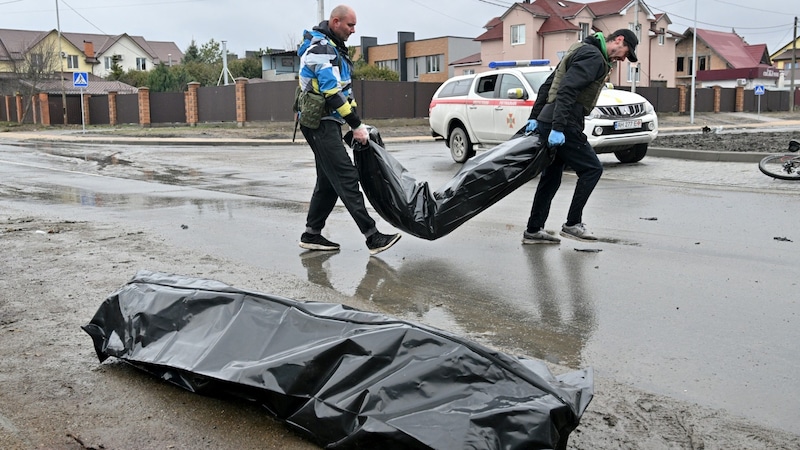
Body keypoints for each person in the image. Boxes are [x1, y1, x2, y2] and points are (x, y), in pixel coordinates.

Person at [296, 4, 401, 255]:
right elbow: (331, 93)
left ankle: (312, 234)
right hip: (319, 123)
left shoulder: (335, 50)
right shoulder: (320, 49)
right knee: (345, 175)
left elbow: (345, 93)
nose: (354, 30)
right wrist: (354, 125)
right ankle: (372, 236)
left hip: (328, 121)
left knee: (328, 181)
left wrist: (358, 125)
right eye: (350, 25)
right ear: (335, 22)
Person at [522, 29, 638, 244]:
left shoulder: (579, 49)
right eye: (625, 52)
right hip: (564, 122)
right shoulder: (593, 57)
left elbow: (549, 84)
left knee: (551, 177)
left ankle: (533, 229)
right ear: (619, 40)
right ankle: (573, 224)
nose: (623, 58)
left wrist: (537, 117)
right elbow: (566, 89)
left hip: (552, 119)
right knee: (592, 169)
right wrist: (558, 127)